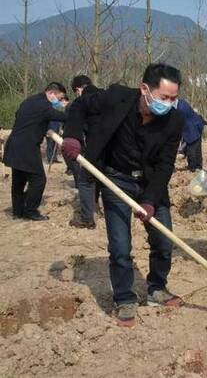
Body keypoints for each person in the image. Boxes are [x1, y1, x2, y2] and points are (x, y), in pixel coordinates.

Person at [62, 63, 185, 327]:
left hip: (151, 182)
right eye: (165, 97)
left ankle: (156, 288)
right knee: (120, 247)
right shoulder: (116, 97)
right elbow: (80, 106)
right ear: (145, 90)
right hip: (116, 178)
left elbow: (166, 165)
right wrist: (72, 137)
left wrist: (151, 200)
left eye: (174, 98)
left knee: (164, 241)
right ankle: (124, 298)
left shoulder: (175, 120)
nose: (170, 103)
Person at [3, 82, 68, 221]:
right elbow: (62, 117)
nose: (59, 101)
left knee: (18, 180)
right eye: (59, 97)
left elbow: (19, 115)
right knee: (39, 180)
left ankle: (18, 211)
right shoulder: (43, 105)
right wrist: (74, 113)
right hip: (27, 147)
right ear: (51, 93)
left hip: (14, 143)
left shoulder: (29, 100)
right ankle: (31, 210)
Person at [67, 75, 101, 229]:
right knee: (102, 177)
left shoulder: (82, 101)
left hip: (96, 146)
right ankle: (96, 205)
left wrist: (72, 139)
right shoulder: (106, 95)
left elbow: (77, 125)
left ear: (78, 89)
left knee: (85, 180)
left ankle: (87, 218)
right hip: (117, 149)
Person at [176, 99, 207, 172]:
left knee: (192, 151)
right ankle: (198, 166)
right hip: (195, 130)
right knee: (197, 150)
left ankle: (192, 167)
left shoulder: (181, 107)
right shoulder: (182, 104)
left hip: (191, 131)